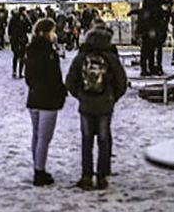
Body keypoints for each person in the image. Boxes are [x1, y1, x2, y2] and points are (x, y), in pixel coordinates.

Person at [65, 26, 127, 191]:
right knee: (104, 140)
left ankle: (86, 175)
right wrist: (113, 97)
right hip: (105, 104)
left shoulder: (81, 58)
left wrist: (80, 95)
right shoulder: (111, 58)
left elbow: (70, 81)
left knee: (86, 141)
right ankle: (102, 176)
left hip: (86, 105)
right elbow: (122, 82)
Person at [25, 18, 65, 186]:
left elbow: (29, 77)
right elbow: (54, 77)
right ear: (46, 32)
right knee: (44, 137)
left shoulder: (32, 50)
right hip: (47, 100)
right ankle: (39, 172)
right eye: (52, 31)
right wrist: (60, 93)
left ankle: (37, 167)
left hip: (34, 98)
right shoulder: (48, 53)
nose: (54, 35)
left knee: (36, 135)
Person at [8, 9, 31, 78]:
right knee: (22, 56)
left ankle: (14, 72)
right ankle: (20, 72)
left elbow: (9, 29)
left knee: (16, 56)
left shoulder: (13, 18)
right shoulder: (24, 18)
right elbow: (30, 27)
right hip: (22, 39)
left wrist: (10, 37)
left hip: (15, 39)